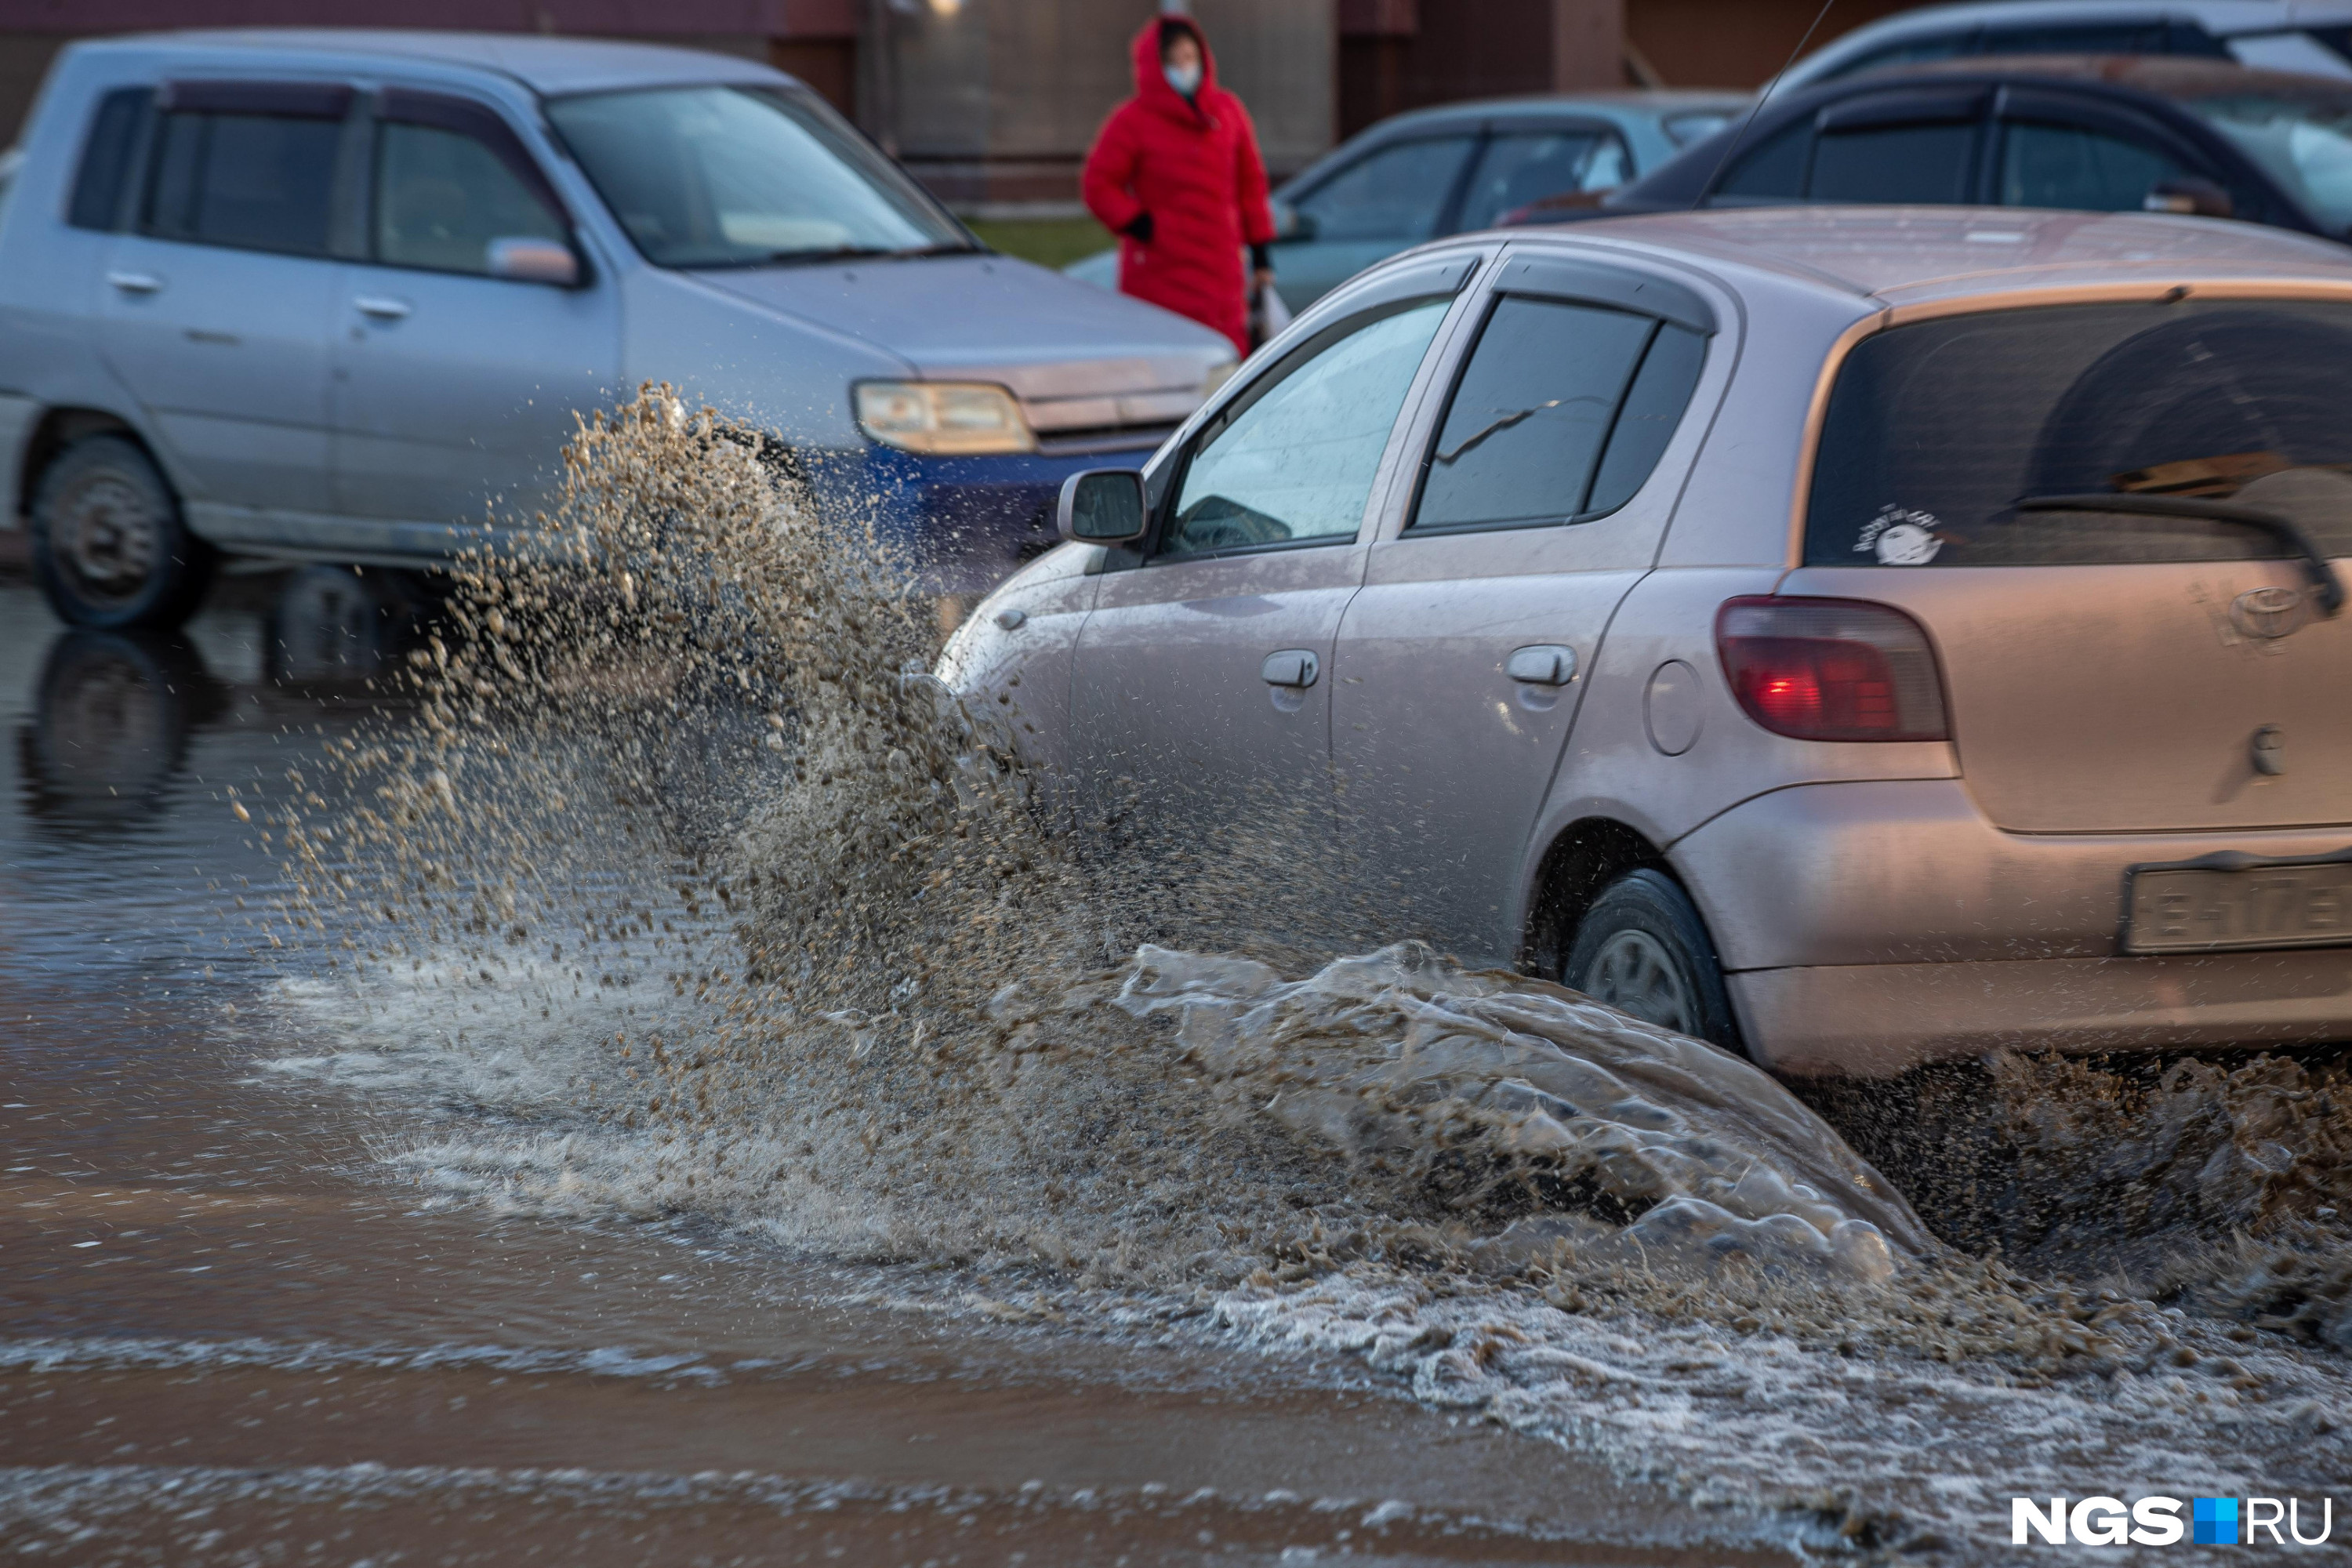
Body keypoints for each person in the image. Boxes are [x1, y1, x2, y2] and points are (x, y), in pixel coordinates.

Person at [1081, 13, 1276, 358]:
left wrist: (1261, 256)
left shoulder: (1227, 112)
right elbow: (1098, 185)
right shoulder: (1133, 121)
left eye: (1190, 58)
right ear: (1155, 67)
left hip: (1222, 274)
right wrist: (1141, 225)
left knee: (1227, 368)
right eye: (1173, 61)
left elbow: (1251, 187)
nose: (1184, 68)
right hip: (1159, 274)